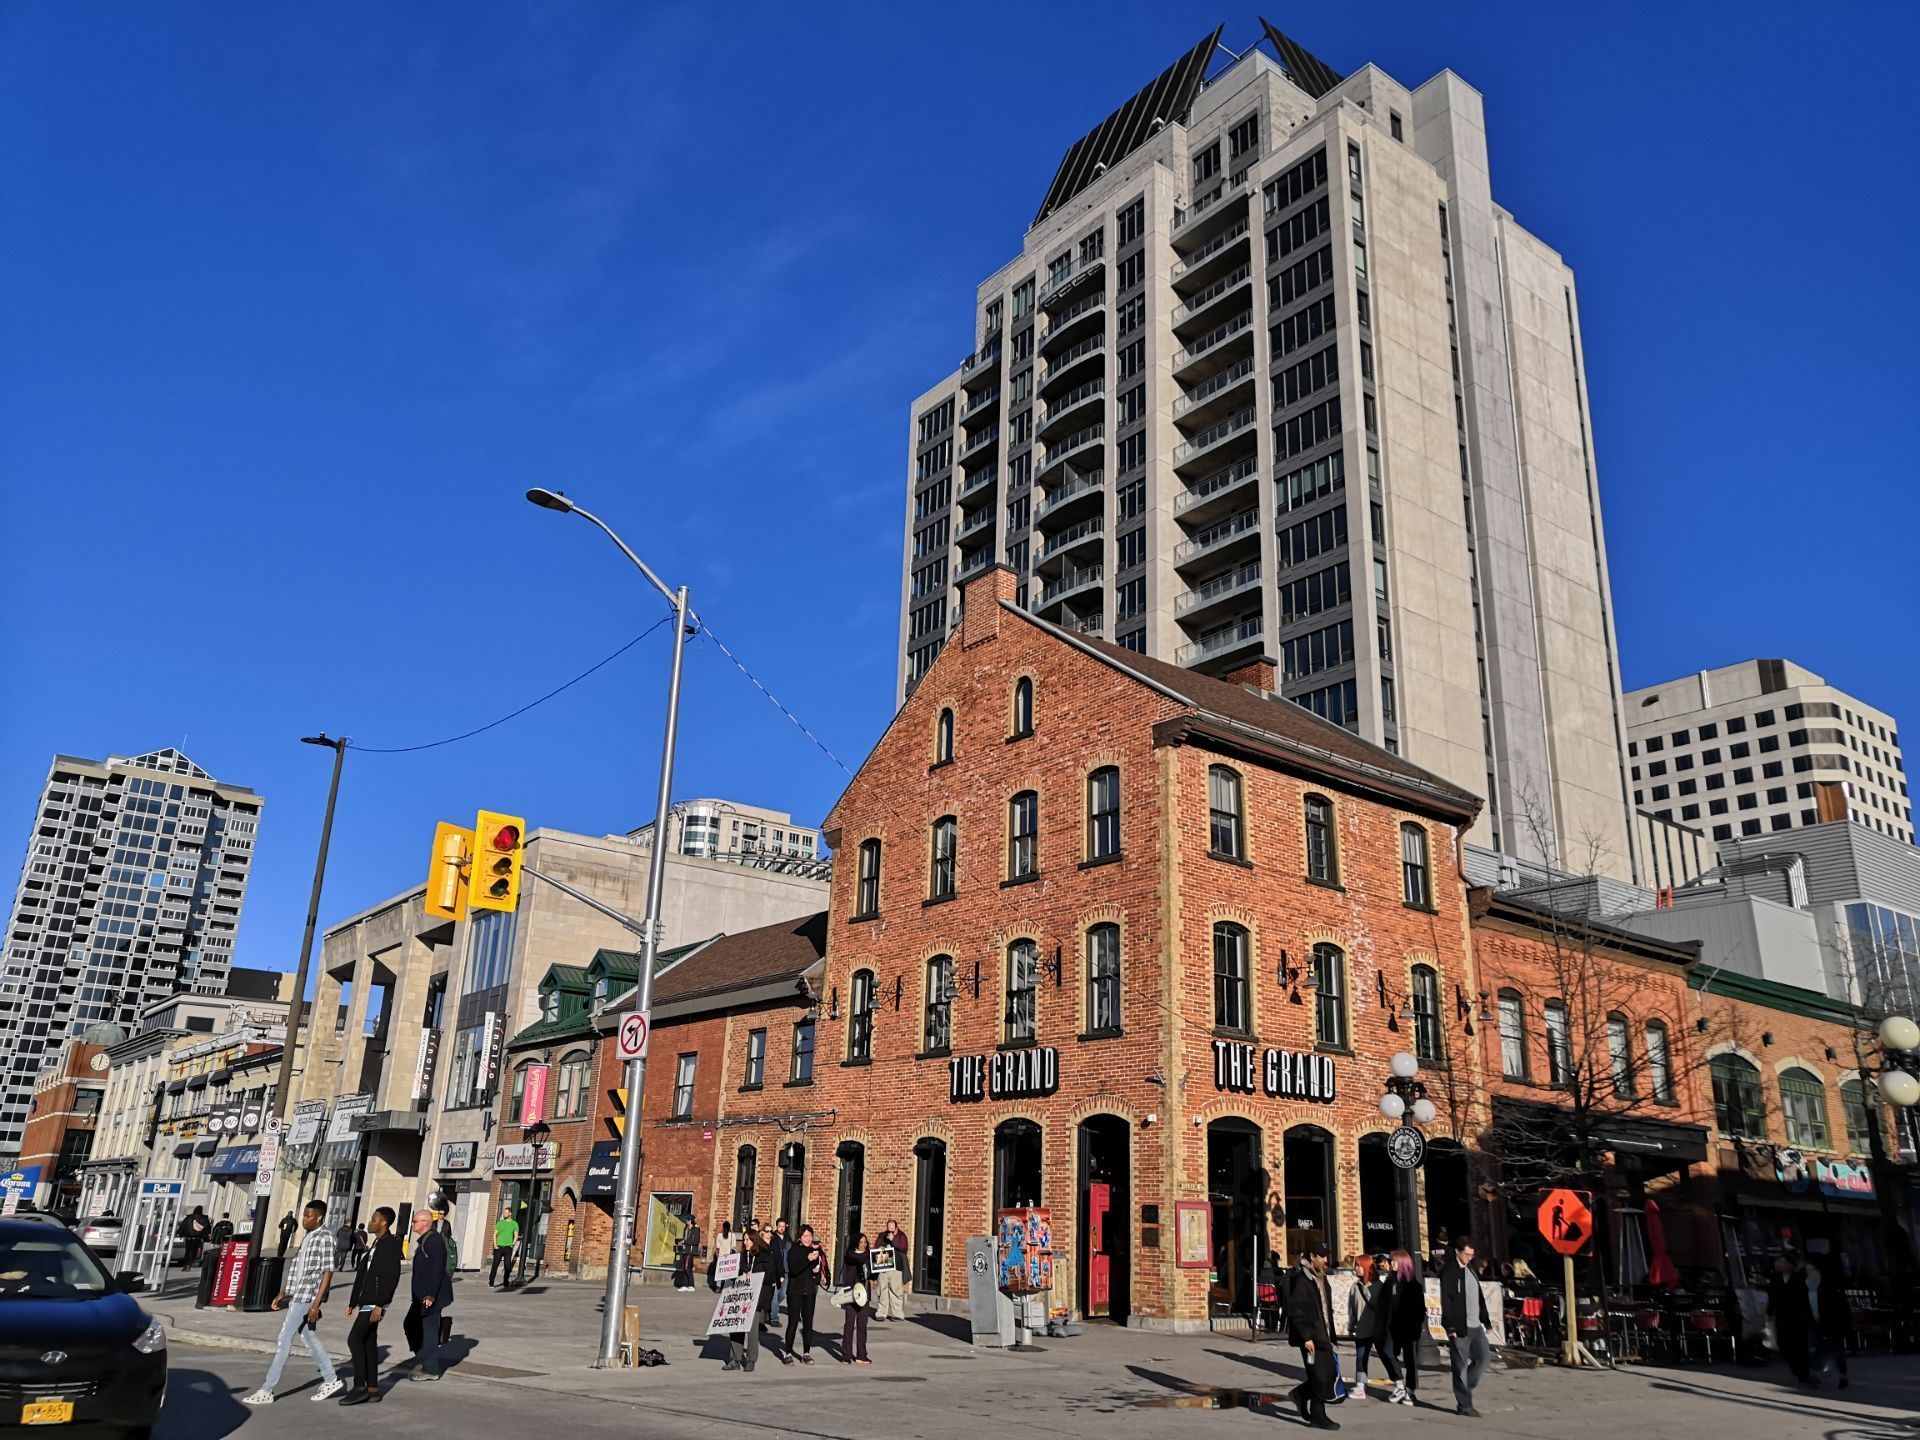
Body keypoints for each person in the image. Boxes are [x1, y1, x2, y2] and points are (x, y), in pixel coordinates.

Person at [241, 1199, 344, 1406]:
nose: (304, 1219)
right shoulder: (308, 1237)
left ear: (319, 1218)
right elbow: (297, 1268)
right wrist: (283, 1293)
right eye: (304, 1215)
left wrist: (316, 1304)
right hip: (297, 1294)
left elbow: (328, 1272)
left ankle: (267, 1389)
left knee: (284, 1339)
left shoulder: (325, 1237)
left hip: (307, 1296)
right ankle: (331, 1379)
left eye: (308, 1216)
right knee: (308, 1337)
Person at [339, 1206, 401, 1405]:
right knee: (368, 1343)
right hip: (366, 1300)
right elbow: (364, 1274)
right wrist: (353, 1301)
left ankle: (360, 1387)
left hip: (375, 1302)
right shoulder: (377, 1243)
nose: (370, 1222)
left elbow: (391, 1277)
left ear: (384, 1222)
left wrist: (380, 1305)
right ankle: (372, 1388)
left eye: (374, 1219)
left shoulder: (390, 1244)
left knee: (354, 1339)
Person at [1285, 1241, 1339, 1431]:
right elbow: (1297, 1311)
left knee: (1328, 1374)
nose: (1325, 1259)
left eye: (1325, 1256)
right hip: (1311, 1338)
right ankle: (1318, 1415)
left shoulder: (1321, 1277)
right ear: (1312, 1257)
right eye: (1321, 1256)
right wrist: (1306, 1337)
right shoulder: (1302, 1279)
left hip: (1324, 1334)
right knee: (1319, 1377)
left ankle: (1300, 1395)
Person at [1441, 1236, 1491, 1418]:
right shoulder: (1449, 1271)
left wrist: (1486, 1320)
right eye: (1467, 1254)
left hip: (1476, 1326)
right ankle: (1464, 1405)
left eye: (1472, 1255)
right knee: (1460, 1366)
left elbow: (1479, 1298)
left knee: (1483, 1358)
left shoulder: (1471, 1270)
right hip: (1460, 1327)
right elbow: (1446, 1300)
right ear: (1458, 1252)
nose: (1470, 1258)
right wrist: (1450, 1326)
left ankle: (1464, 1386)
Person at [404, 1208, 455, 1380]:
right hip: (421, 1296)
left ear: (425, 1223)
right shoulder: (425, 1240)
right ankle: (423, 1357)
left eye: (415, 1221)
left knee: (430, 1331)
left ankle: (431, 1369)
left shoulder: (434, 1240)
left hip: (430, 1297)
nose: (412, 1224)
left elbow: (436, 1269)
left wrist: (430, 1295)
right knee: (411, 1324)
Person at [724, 1226, 777, 1372]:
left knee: (752, 1330)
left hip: (755, 1298)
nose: (745, 1242)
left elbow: (770, 1275)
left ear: (755, 1241)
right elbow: (732, 1275)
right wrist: (729, 1266)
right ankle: (735, 1358)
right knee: (736, 1328)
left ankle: (751, 1360)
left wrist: (754, 1274)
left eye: (748, 1240)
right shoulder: (741, 1257)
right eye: (744, 1240)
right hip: (739, 1297)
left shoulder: (764, 1256)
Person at [1350, 1251, 1398, 1396]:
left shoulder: (1379, 1286)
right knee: (1361, 1358)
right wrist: (1351, 1326)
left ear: (1366, 1266)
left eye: (1358, 1266)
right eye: (1355, 1266)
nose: (1355, 1268)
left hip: (1378, 1328)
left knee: (1386, 1356)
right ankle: (1360, 1386)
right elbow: (1352, 1308)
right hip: (1362, 1328)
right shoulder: (1355, 1286)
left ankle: (1399, 1383)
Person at [781, 1224, 827, 1365]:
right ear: (800, 1237)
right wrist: (808, 1259)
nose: (808, 1239)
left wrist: (818, 1274)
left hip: (809, 1291)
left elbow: (816, 1272)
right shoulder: (794, 1250)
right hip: (795, 1291)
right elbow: (794, 1269)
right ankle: (788, 1353)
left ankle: (806, 1353)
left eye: (810, 1236)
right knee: (793, 1322)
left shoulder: (814, 1251)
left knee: (808, 1323)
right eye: (805, 1236)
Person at [1806, 1256, 1853, 1389]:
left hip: (1830, 1324)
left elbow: (1841, 1308)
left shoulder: (1828, 1287)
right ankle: (1810, 1374)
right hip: (1812, 1324)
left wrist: (1843, 1326)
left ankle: (1843, 1376)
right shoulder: (1806, 1287)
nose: (1809, 1273)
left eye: (1811, 1270)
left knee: (1835, 1350)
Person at [1385, 1249, 1423, 1406]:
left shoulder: (1412, 1285)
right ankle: (1399, 1384)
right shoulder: (1391, 1281)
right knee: (1388, 1352)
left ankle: (1410, 1391)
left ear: (1402, 1263)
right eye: (1391, 1261)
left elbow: (1419, 1309)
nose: (1391, 1264)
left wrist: (1415, 1327)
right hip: (1392, 1327)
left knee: (1410, 1361)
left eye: (1394, 1261)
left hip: (1408, 1328)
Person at [1770, 1251, 1813, 1383]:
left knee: (1799, 1345)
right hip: (1782, 1316)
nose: (1780, 1265)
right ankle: (1795, 1367)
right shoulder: (1775, 1278)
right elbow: (1772, 1296)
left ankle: (1803, 1373)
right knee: (1784, 1345)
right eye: (1779, 1262)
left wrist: (1808, 1316)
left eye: (1783, 1262)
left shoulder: (1798, 1278)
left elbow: (1805, 1298)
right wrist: (1769, 1312)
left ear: (1790, 1265)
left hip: (1797, 1316)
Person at [839, 1232, 874, 1365]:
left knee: (862, 1325)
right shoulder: (850, 1255)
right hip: (852, 1294)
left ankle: (861, 1355)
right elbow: (858, 1259)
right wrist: (872, 1255)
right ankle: (846, 1355)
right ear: (855, 1243)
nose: (863, 1244)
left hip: (864, 1294)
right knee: (849, 1325)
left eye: (865, 1242)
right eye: (861, 1242)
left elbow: (872, 1274)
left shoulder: (868, 1256)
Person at [872, 1219, 910, 1321]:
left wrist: (893, 1240)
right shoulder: (882, 1235)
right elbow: (875, 1247)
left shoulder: (901, 1236)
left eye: (892, 1231)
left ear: (896, 1228)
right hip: (883, 1266)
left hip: (896, 1268)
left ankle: (898, 1314)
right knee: (882, 1290)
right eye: (888, 1230)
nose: (890, 1232)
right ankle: (881, 1313)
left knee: (896, 1291)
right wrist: (879, 1248)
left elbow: (904, 1248)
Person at [766, 1217, 792, 1325]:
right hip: (776, 1270)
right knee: (775, 1295)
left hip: (786, 1269)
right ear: (776, 1226)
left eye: (783, 1226)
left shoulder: (788, 1238)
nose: (781, 1228)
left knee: (782, 1294)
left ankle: (769, 1307)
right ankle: (774, 1318)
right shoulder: (773, 1238)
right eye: (779, 1226)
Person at [489, 1206, 520, 1287]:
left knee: (507, 1266)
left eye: (505, 1213)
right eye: (504, 1212)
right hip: (498, 1247)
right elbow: (495, 1234)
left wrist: (512, 1244)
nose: (504, 1214)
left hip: (508, 1248)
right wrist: (495, 1245)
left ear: (510, 1213)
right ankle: (491, 1282)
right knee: (495, 1265)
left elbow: (516, 1236)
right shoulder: (500, 1223)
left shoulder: (514, 1224)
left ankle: (506, 1282)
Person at [675, 1215, 702, 1292]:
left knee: (687, 1268)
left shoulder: (696, 1229)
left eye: (687, 1220)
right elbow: (685, 1238)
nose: (686, 1221)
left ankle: (691, 1285)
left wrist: (685, 1242)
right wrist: (682, 1242)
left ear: (690, 1221)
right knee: (684, 1268)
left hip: (690, 1251)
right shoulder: (686, 1229)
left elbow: (696, 1241)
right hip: (685, 1250)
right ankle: (685, 1285)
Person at [708, 1220, 735, 1292]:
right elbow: (733, 1246)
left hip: (721, 1256)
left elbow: (717, 1247)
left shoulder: (719, 1235)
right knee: (728, 1272)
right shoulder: (733, 1235)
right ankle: (726, 1287)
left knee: (720, 1271)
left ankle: (718, 1287)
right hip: (729, 1256)